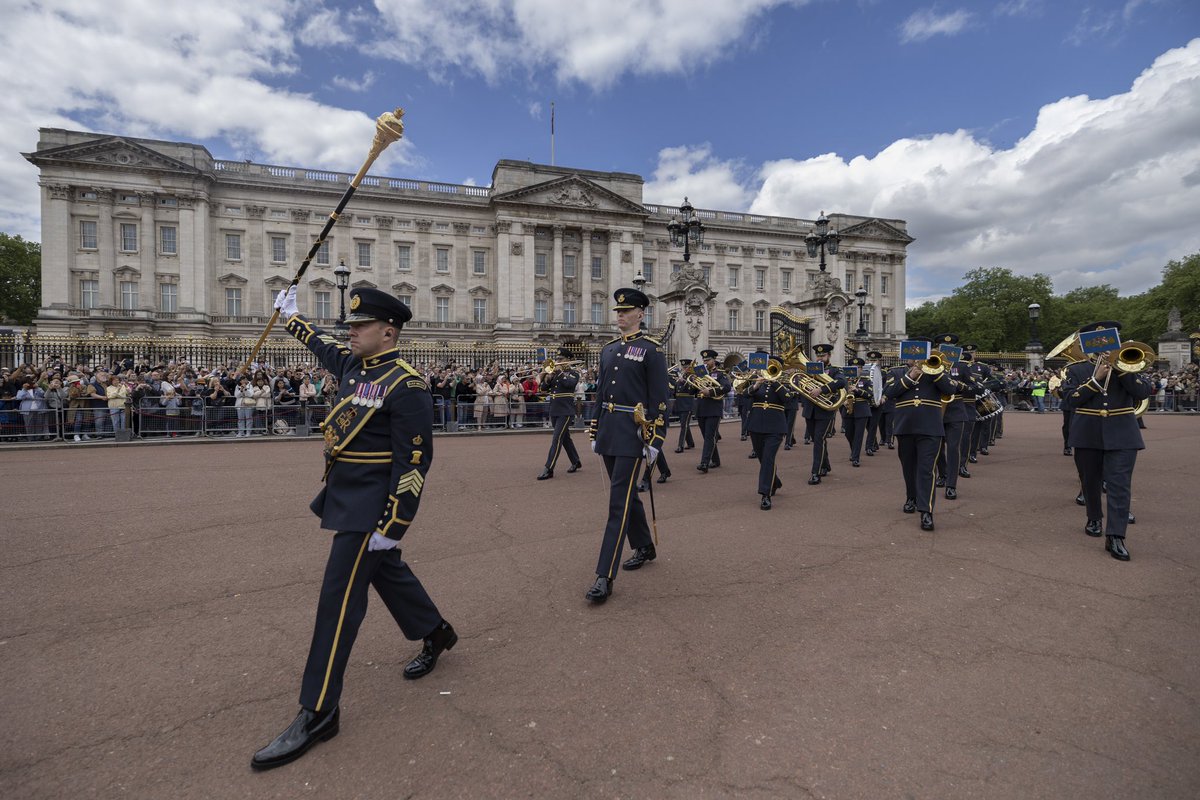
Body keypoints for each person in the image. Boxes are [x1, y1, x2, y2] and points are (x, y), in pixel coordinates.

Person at [252, 286, 456, 770]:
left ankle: (319, 710)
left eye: (360, 326)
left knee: (337, 602)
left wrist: (395, 521)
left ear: (388, 331)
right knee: (387, 574)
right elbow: (321, 345)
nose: (351, 330)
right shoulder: (353, 366)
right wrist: (292, 317)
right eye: (351, 325)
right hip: (345, 494)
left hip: (373, 509)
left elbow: (415, 461)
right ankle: (435, 631)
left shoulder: (407, 385)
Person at [584, 288, 668, 604]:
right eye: (618, 311)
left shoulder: (652, 350)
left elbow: (660, 400)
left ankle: (604, 575)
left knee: (616, 504)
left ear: (640, 314)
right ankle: (645, 544)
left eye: (627, 311)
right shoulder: (607, 350)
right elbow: (601, 394)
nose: (620, 315)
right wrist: (595, 430)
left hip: (634, 434)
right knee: (628, 495)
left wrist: (655, 441)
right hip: (608, 430)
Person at [1061, 321, 1153, 562]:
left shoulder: (1130, 365)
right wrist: (1096, 379)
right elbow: (1070, 400)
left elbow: (1143, 393)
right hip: (1087, 432)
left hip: (1122, 433)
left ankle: (1116, 535)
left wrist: (1121, 369)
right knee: (1090, 481)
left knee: (1119, 485)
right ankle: (1094, 517)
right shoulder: (1077, 369)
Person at [882, 338, 958, 531]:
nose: (914, 358)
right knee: (908, 467)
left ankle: (927, 511)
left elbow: (950, 389)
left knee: (926, 470)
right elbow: (889, 392)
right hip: (905, 426)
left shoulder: (938, 371)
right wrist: (910, 377)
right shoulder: (896, 372)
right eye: (911, 354)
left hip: (930, 426)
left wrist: (935, 372)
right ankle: (911, 497)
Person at [932, 335, 978, 500]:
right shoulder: (933, 362)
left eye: (950, 346)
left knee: (953, 448)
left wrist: (958, 384)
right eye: (943, 345)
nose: (946, 348)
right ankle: (943, 474)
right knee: (937, 448)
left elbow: (974, 388)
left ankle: (951, 485)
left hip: (956, 411)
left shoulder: (962, 366)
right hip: (936, 410)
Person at [745, 353, 789, 510]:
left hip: (775, 427)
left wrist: (775, 382)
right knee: (763, 459)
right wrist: (756, 385)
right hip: (756, 424)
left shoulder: (784, 382)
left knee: (768, 458)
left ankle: (765, 494)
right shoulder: (759, 381)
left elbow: (788, 398)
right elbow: (745, 394)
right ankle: (774, 481)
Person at [537, 348, 583, 480]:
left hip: (566, 411)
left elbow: (570, 384)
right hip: (555, 410)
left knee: (556, 439)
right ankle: (576, 461)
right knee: (565, 439)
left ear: (568, 360)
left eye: (560, 359)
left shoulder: (573, 373)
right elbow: (543, 389)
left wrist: (561, 372)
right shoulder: (555, 374)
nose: (557, 362)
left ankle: (549, 468)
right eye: (557, 359)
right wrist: (546, 377)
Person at [804, 344, 846, 485]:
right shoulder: (810, 369)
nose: (820, 358)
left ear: (829, 356)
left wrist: (821, 389)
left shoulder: (834, 370)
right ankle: (825, 464)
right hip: (810, 410)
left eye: (823, 355)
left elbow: (841, 382)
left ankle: (815, 473)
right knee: (817, 440)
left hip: (825, 410)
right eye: (818, 355)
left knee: (819, 438)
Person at [694, 349, 731, 473]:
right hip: (701, 408)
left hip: (713, 409)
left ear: (714, 360)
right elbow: (692, 391)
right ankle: (716, 460)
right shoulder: (700, 372)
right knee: (706, 437)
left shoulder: (720, 374)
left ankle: (704, 463)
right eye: (704, 360)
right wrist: (691, 382)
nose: (705, 362)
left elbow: (726, 387)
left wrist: (710, 392)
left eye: (708, 360)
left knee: (709, 436)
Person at [842, 357, 874, 467]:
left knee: (858, 435)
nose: (857, 369)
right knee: (848, 433)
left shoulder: (866, 380)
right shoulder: (844, 380)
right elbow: (838, 394)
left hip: (862, 409)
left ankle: (855, 457)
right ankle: (853, 450)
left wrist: (857, 390)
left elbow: (870, 395)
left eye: (859, 367)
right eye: (854, 367)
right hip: (847, 409)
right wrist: (843, 402)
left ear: (862, 369)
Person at [671, 359, 697, 453]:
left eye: (686, 367)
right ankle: (690, 443)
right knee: (684, 424)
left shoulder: (692, 377)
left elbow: (692, 389)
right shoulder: (681, 376)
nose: (684, 369)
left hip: (687, 403)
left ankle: (680, 446)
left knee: (683, 425)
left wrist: (683, 381)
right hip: (679, 403)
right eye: (683, 367)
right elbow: (675, 391)